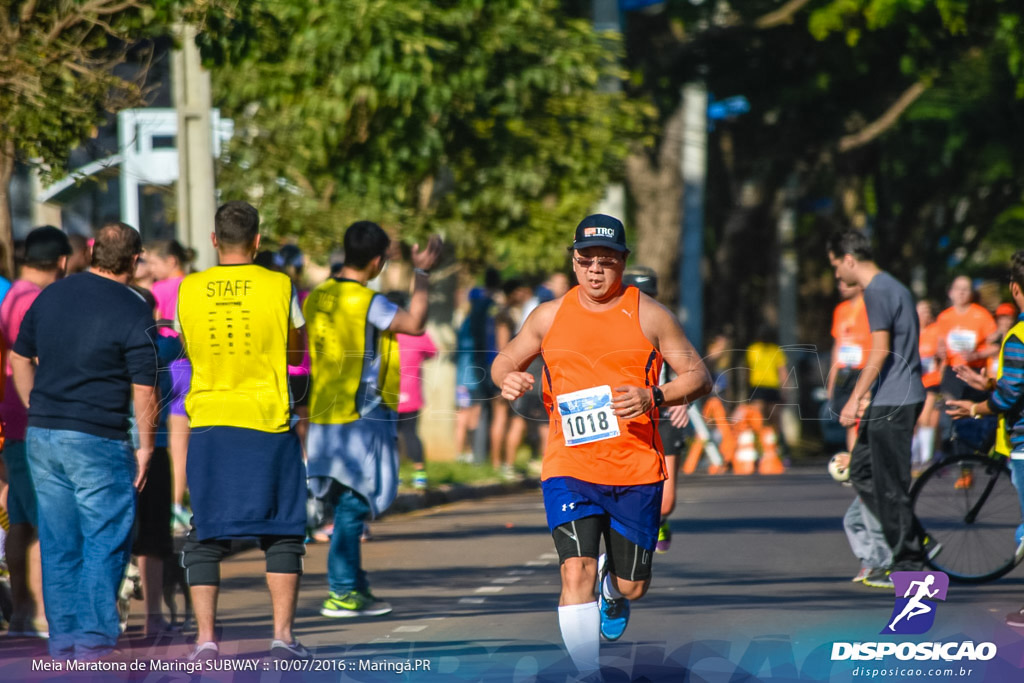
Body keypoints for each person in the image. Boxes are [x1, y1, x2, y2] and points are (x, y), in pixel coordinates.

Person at [491, 214, 711, 680]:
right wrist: (506, 377)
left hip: (634, 469)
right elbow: (505, 359)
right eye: (585, 260)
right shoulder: (549, 316)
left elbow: (698, 377)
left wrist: (653, 396)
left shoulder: (649, 314)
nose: (594, 271)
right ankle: (587, 672)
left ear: (623, 263)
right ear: (573, 262)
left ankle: (614, 587)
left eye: (605, 262)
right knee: (575, 571)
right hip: (569, 466)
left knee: (633, 588)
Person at [10, 222, 158, 660]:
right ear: (134, 260)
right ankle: (93, 642)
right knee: (105, 537)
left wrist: (34, 404)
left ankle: (64, 641)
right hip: (97, 436)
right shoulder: (134, 308)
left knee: (59, 539)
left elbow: (20, 357)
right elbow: (145, 386)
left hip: (43, 434)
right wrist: (146, 445)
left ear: (93, 252)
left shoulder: (53, 293)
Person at [176, 201, 309, 661]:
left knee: (206, 533)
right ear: (257, 240)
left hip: (210, 421)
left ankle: (206, 640)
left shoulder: (189, 288)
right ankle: (282, 638)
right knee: (284, 531)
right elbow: (297, 354)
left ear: (214, 240)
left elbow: (187, 348)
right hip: (267, 420)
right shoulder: (280, 285)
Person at [304, 221, 441, 619]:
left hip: (325, 412)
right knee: (353, 502)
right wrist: (423, 274)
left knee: (345, 501)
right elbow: (414, 324)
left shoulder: (318, 297)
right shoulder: (368, 301)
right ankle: (342, 591)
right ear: (378, 261)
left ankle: (355, 586)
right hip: (359, 414)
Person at [827, 229, 927, 587]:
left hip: (896, 400)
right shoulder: (891, 288)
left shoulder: (878, 291)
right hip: (889, 396)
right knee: (863, 471)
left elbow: (881, 348)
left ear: (850, 260)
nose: (837, 275)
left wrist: (855, 396)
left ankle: (910, 563)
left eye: (837, 266)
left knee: (891, 484)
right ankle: (914, 537)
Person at [943, 252, 1024, 626]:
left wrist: (975, 407)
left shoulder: (1018, 336)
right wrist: (989, 383)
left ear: (1015, 289)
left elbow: (1010, 398)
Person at [0, 226, 71, 640]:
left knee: (24, 519)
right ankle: (44, 613)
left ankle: (24, 612)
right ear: (61, 262)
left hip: (13, 415)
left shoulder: (10, 296)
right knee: (48, 519)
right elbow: (43, 355)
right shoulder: (36, 301)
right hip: (37, 416)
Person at [145, 240, 195, 535]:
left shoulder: (156, 291)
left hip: (163, 366)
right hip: (185, 365)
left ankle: (169, 504)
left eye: (154, 262)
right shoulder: (192, 285)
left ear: (171, 260)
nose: (150, 268)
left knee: (164, 437)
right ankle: (177, 502)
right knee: (182, 443)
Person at [386, 291, 438, 490]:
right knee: (411, 433)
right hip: (412, 393)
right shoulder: (416, 332)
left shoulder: (384, 331)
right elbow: (433, 352)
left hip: (387, 394)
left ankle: (395, 474)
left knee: (391, 435)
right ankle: (420, 474)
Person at [828, 280, 870, 451]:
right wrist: (831, 380)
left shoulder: (870, 309)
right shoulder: (841, 310)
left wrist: (869, 381)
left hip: (864, 371)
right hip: (844, 372)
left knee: (863, 419)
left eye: (848, 283)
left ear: (860, 285)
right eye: (839, 283)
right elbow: (837, 346)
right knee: (848, 420)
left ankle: (865, 460)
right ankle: (854, 463)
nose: (841, 286)